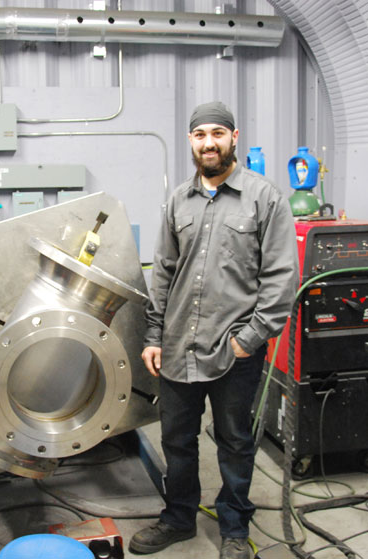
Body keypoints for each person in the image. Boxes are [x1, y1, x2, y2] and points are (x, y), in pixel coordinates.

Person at [129, 102, 298, 559]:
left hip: (234, 351)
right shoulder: (177, 202)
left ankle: (234, 527)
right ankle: (179, 517)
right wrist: (152, 336)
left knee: (236, 442)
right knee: (177, 442)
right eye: (200, 134)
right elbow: (162, 273)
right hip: (177, 347)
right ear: (191, 141)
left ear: (234, 137)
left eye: (217, 134)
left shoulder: (265, 199)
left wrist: (250, 339)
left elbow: (282, 279)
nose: (209, 142)